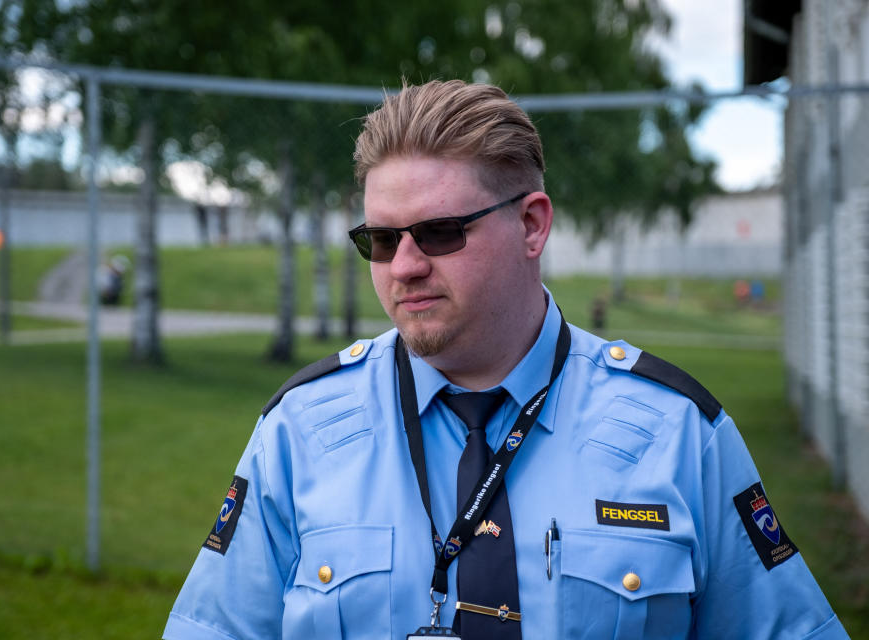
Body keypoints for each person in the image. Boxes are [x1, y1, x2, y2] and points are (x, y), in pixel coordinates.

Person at [163, 80, 848, 639]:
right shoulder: (302, 429)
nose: (404, 266)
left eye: (439, 232)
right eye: (380, 239)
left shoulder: (676, 432)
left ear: (531, 224)